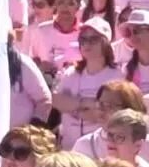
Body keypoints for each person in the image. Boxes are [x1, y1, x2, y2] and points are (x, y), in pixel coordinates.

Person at [52, 17, 121, 149]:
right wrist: (84, 104)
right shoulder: (70, 73)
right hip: (69, 149)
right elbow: (56, 101)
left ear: (105, 43)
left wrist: (73, 105)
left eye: (93, 39)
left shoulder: (117, 76)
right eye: (83, 40)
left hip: (101, 151)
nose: (86, 44)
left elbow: (112, 114)